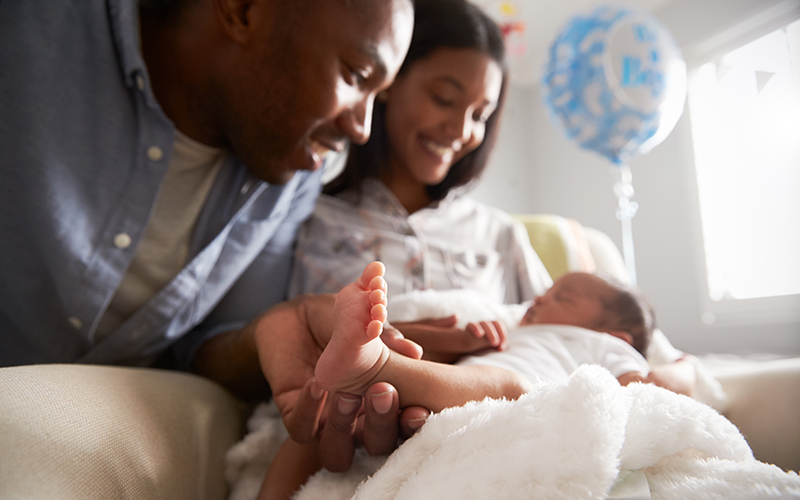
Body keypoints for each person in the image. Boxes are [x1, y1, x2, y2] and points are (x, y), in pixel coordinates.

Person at [0, 0, 421, 472]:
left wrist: (271, 331)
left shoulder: (292, 175)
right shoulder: (25, 28)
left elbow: (202, 347)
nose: (361, 129)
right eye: (356, 75)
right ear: (242, 10)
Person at [257, 262, 655, 499]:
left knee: (511, 384)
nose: (540, 299)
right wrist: (463, 340)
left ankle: (374, 364)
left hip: (516, 412)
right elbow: (429, 359)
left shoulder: (607, 347)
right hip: (424, 409)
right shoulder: (508, 332)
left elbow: (638, 393)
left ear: (615, 337)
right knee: (321, 411)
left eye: (562, 298)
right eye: (546, 291)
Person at [289, 0, 553, 309]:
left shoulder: (501, 235)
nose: (461, 130)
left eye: (480, 116)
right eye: (444, 99)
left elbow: (564, 339)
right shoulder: (309, 221)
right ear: (388, 82)